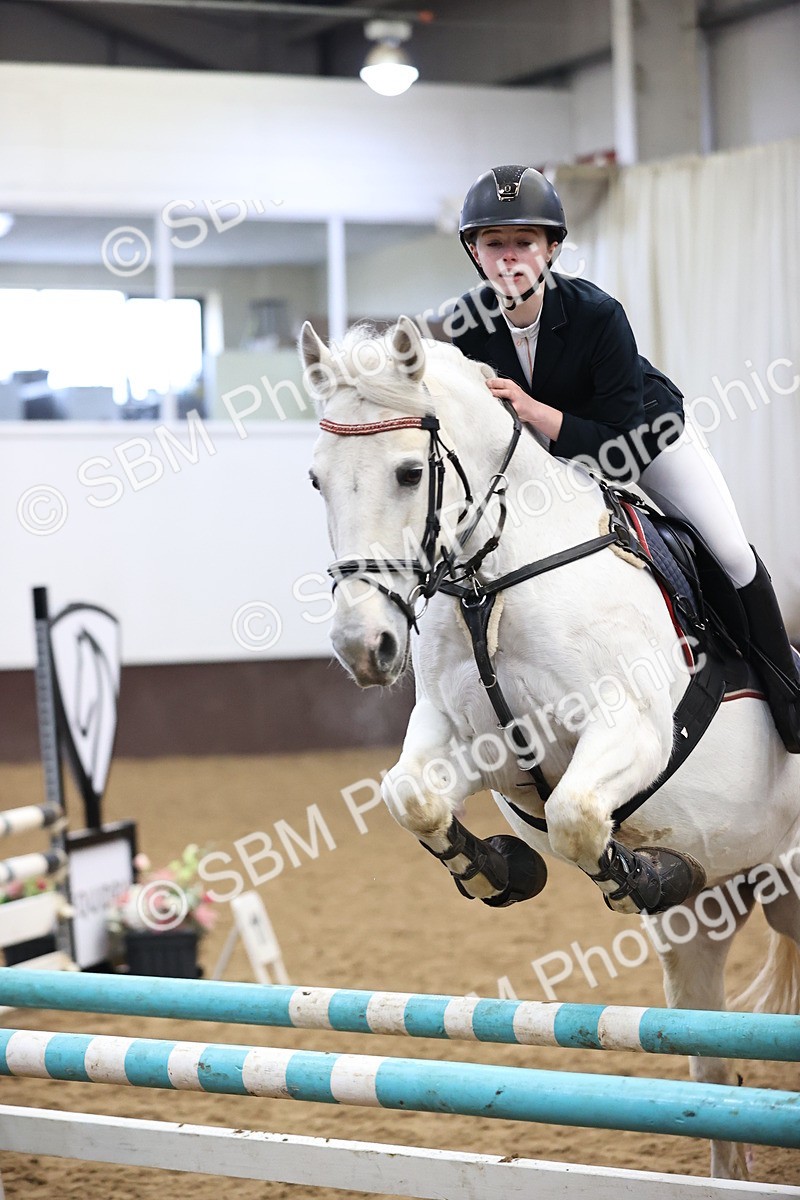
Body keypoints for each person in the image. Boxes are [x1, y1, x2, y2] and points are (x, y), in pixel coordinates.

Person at [451, 164, 800, 755]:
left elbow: (618, 441)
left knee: (730, 550)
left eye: (525, 243)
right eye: (494, 243)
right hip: (551, 457)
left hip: (646, 439)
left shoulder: (598, 315)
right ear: (474, 252)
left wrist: (535, 412)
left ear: (552, 248)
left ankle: (788, 692)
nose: (510, 258)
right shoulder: (468, 324)